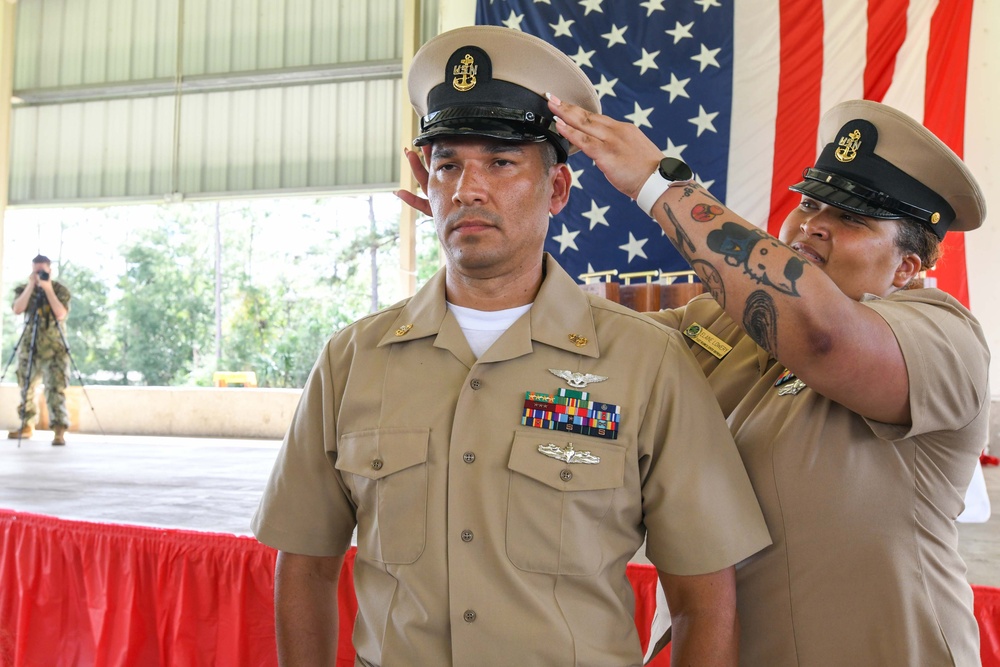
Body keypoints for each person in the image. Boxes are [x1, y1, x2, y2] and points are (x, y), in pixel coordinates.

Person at [252, 26, 771, 667]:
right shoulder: (351, 360)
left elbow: (706, 600)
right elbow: (304, 566)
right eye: (447, 164)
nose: (468, 188)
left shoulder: (647, 365)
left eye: (500, 162)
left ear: (556, 190)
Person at [540, 97, 989, 665]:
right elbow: (582, 353)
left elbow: (823, 336)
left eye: (850, 218)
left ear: (906, 267)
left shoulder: (945, 336)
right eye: (808, 204)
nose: (812, 227)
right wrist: (494, 238)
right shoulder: (724, 321)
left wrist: (660, 185)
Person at [8, 254, 72, 446]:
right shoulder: (23, 289)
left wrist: (47, 289)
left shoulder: (60, 291)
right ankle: (26, 425)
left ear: (50, 270)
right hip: (30, 347)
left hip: (55, 349)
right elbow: (17, 309)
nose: (39, 274)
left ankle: (59, 429)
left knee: (55, 389)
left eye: (43, 271)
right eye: (36, 271)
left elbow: (61, 313)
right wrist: (31, 286)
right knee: (26, 387)